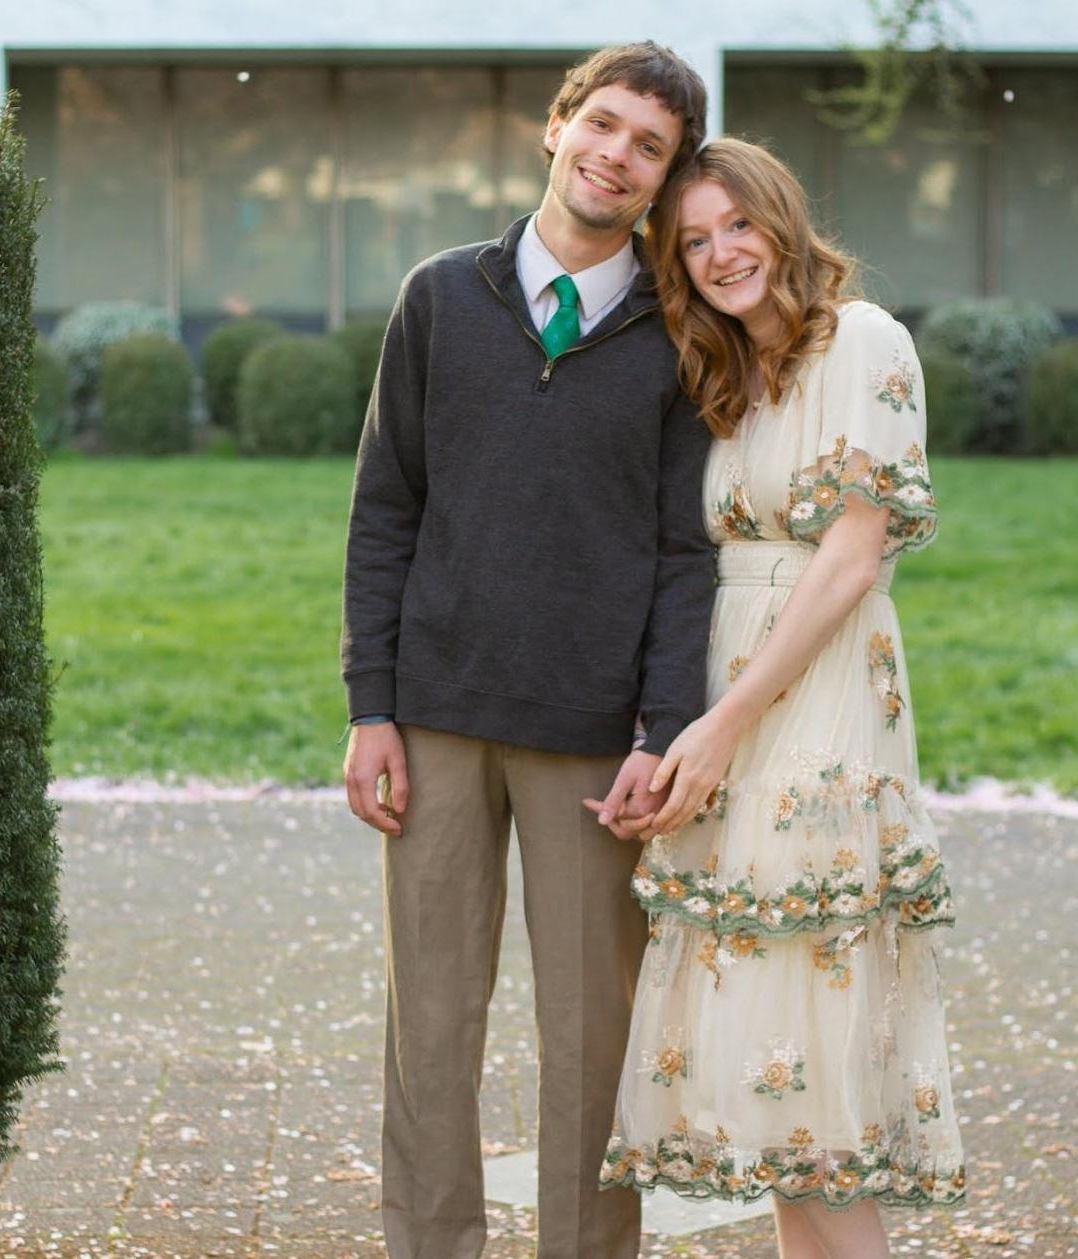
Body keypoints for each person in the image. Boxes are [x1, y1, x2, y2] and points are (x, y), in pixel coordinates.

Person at [340, 43, 715, 1259]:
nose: (616, 155)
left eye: (648, 146)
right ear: (556, 128)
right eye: (601, 125)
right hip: (435, 718)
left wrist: (662, 730)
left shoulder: (680, 335)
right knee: (431, 1025)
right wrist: (370, 704)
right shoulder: (440, 298)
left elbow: (686, 553)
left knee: (594, 1035)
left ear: (663, 178)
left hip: (594, 740)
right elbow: (385, 508)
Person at [598, 138, 966, 1258]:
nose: (721, 254)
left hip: (815, 696)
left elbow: (850, 559)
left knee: (806, 1037)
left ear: (783, 219)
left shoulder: (863, 340)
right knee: (771, 1084)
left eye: (738, 225)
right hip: (729, 692)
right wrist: (681, 723)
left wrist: (723, 724)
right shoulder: (729, 372)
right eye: (693, 241)